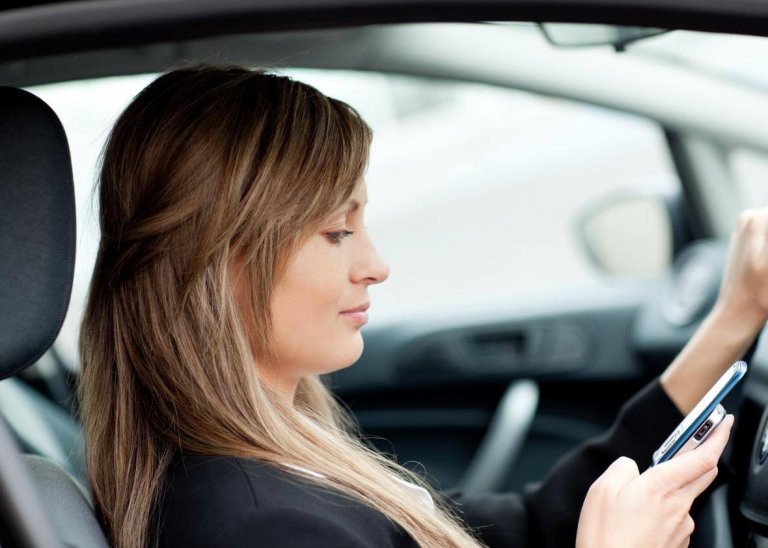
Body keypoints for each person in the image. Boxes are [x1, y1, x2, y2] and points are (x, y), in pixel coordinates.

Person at [77, 64, 768, 548]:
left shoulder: (283, 471)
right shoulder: (257, 526)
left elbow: (531, 527)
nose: (375, 265)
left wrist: (734, 315)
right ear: (218, 261)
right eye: (337, 231)